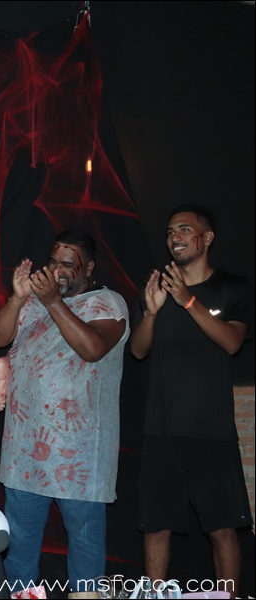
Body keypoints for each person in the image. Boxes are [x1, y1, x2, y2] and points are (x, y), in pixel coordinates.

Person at [0, 229, 129, 593]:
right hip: (24, 451)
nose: (58, 271)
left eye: (68, 264)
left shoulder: (108, 303)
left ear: (89, 267)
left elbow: (92, 349)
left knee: (84, 542)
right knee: (19, 545)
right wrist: (18, 299)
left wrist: (52, 302)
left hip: (79, 456)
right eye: (53, 262)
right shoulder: (33, 300)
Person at [129, 205, 250, 598]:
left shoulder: (231, 287)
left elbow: (232, 342)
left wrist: (188, 301)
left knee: (222, 529)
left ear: (206, 238)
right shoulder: (158, 289)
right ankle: (155, 595)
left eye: (184, 229)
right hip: (161, 428)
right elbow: (139, 351)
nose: (174, 238)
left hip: (211, 431)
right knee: (156, 525)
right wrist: (150, 313)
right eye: (169, 232)